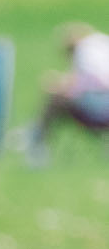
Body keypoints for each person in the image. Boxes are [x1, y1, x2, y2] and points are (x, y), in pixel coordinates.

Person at [26, 22, 109, 164]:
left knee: (55, 100)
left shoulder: (85, 51)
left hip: (100, 106)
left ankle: (37, 145)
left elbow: (95, 80)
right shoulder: (102, 43)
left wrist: (61, 85)